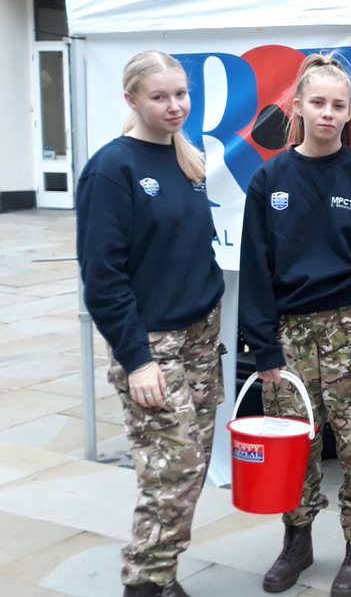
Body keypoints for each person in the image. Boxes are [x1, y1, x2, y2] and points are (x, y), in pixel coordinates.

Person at [238, 53, 351, 597]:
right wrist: (264, 349)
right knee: (294, 444)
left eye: (338, 105)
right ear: (298, 107)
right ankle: (297, 537)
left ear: (349, 110)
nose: (328, 113)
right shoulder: (270, 180)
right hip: (289, 335)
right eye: (318, 103)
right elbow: (256, 270)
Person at [77, 51, 225, 597]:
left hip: (199, 337)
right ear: (132, 99)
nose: (175, 105)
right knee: (172, 469)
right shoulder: (112, 169)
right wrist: (136, 358)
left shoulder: (186, 159)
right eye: (159, 96)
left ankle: (163, 576)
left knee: (190, 466)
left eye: (181, 94)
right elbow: (102, 277)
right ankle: (145, 582)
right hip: (152, 343)